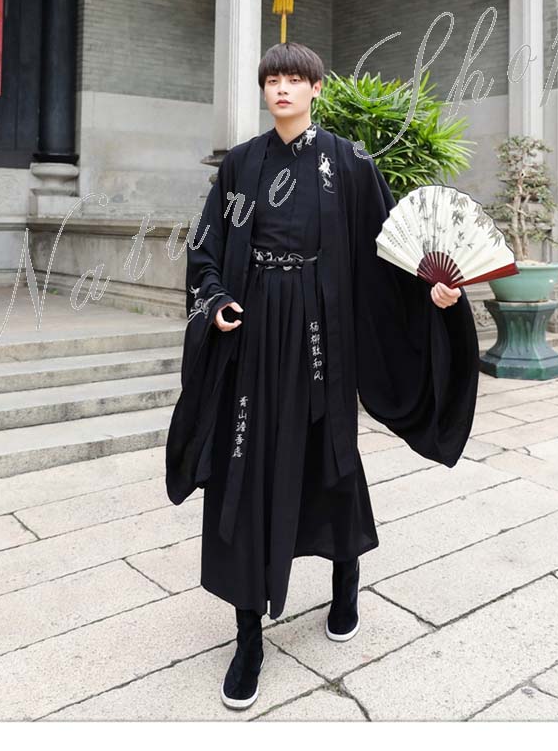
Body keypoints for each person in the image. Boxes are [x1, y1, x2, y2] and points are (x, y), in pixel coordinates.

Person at [165, 42, 479, 710]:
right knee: (245, 470)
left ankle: (345, 580)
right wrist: (214, 300)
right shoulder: (241, 164)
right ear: (264, 91)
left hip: (322, 335)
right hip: (254, 333)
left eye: (294, 79)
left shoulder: (349, 162)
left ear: (315, 88)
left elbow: (391, 249)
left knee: (330, 459)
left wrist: (432, 291)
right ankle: (248, 637)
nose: (282, 89)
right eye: (272, 80)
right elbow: (206, 248)